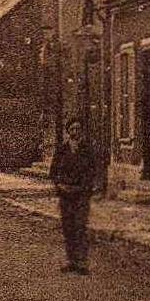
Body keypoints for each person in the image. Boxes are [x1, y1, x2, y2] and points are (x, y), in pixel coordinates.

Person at [51, 117, 97, 275]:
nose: (75, 132)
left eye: (78, 129)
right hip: (66, 195)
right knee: (68, 227)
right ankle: (71, 260)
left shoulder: (87, 150)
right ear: (68, 131)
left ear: (81, 131)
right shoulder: (61, 150)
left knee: (80, 227)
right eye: (72, 129)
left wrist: (86, 187)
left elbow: (92, 170)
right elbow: (53, 172)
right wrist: (60, 185)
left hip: (81, 194)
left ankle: (82, 262)